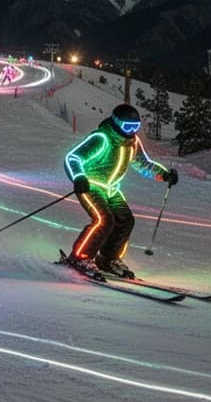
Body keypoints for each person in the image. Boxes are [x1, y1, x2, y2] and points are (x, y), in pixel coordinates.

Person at [62, 104, 178, 279]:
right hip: (91, 186)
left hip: (112, 190)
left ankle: (108, 258)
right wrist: (79, 177)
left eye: (135, 127)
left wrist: (164, 175)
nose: (131, 131)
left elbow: (143, 164)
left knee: (126, 220)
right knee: (104, 220)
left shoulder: (132, 143)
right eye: (127, 126)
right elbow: (73, 157)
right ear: (116, 122)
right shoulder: (102, 138)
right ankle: (80, 258)